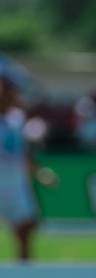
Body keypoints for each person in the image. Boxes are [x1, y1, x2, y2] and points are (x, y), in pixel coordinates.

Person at [0, 68, 39, 262]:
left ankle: (24, 275)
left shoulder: (17, 118)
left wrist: (36, 172)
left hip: (15, 184)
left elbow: (23, 150)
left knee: (26, 228)